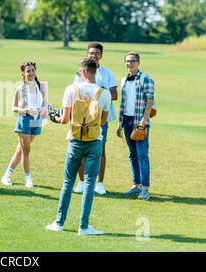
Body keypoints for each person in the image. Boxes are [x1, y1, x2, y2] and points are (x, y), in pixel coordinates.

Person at [46, 58, 111, 235]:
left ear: (82, 72)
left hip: (75, 141)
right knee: (90, 184)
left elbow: (65, 119)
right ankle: (83, 226)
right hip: (94, 142)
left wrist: (56, 118)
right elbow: (103, 121)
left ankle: (59, 223)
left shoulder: (71, 89)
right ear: (95, 72)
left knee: (68, 183)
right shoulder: (103, 93)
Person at [73, 42, 118, 195]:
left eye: (97, 53)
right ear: (87, 54)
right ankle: (82, 182)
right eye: (91, 53)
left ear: (101, 55)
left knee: (100, 150)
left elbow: (114, 95)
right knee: (81, 149)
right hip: (83, 117)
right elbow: (76, 93)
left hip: (101, 117)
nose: (94, 55)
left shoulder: (107, 73)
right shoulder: (80, 73)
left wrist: (100, 94)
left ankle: (100, 183)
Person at [1, 61, 47, 188]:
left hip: (37, 120)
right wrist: (26, 110)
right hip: (24, 120)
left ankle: (6, 176)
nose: (31, 73)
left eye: (33, 70)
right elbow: (13, 108)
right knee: (26, 150)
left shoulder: (40, 86)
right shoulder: (20, 88)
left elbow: (44, 104)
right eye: (28, 71)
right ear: (23, 73)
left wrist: (42, 110)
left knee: (20, 150)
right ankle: (28, 179)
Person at [116, 52, 154, 201]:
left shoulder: (146, 79)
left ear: (138, 62)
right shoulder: (124, 80)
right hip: (127, 121)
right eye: (127, 61)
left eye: (132, 61)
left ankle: (145, 189)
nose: (129, 64)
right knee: (132, 154)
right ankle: (136, 184)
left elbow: (150, 102)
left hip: (140, 122)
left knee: (142, 155)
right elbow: (123, 103)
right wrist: (120, 123)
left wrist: (143, 122)